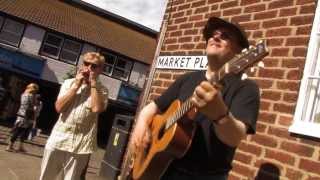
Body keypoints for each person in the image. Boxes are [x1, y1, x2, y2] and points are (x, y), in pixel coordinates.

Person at [131, 17, 260, 180]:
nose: (216, 37)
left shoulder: (246, 88)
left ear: (240, 52)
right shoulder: (187, 79)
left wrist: (220, 114)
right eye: (213, 35)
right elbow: (152, 107)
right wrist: (141, 125)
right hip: (164, 168)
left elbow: (235, 137)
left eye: (225, 36)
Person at [39, 52, 109, 180]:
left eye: (94, 66)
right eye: (86, 64)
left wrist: (93, 83)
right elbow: (59, 107)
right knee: (46, 177)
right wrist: (76, 86)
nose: (89, 68)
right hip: (59, 139)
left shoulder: (102, 90)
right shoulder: (68, 83)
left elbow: (96, 108)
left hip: (81, 145)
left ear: (100, 70)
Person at [6, 83, 39, 152]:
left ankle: (18, 146)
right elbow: (33, 105)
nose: (35, 91)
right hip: (27, 115)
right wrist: (36, 104)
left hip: (21, 114)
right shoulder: (31, 96)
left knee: (19, 130)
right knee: (21, 131)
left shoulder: (23, 94)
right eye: (35, 89)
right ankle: (10, 146)